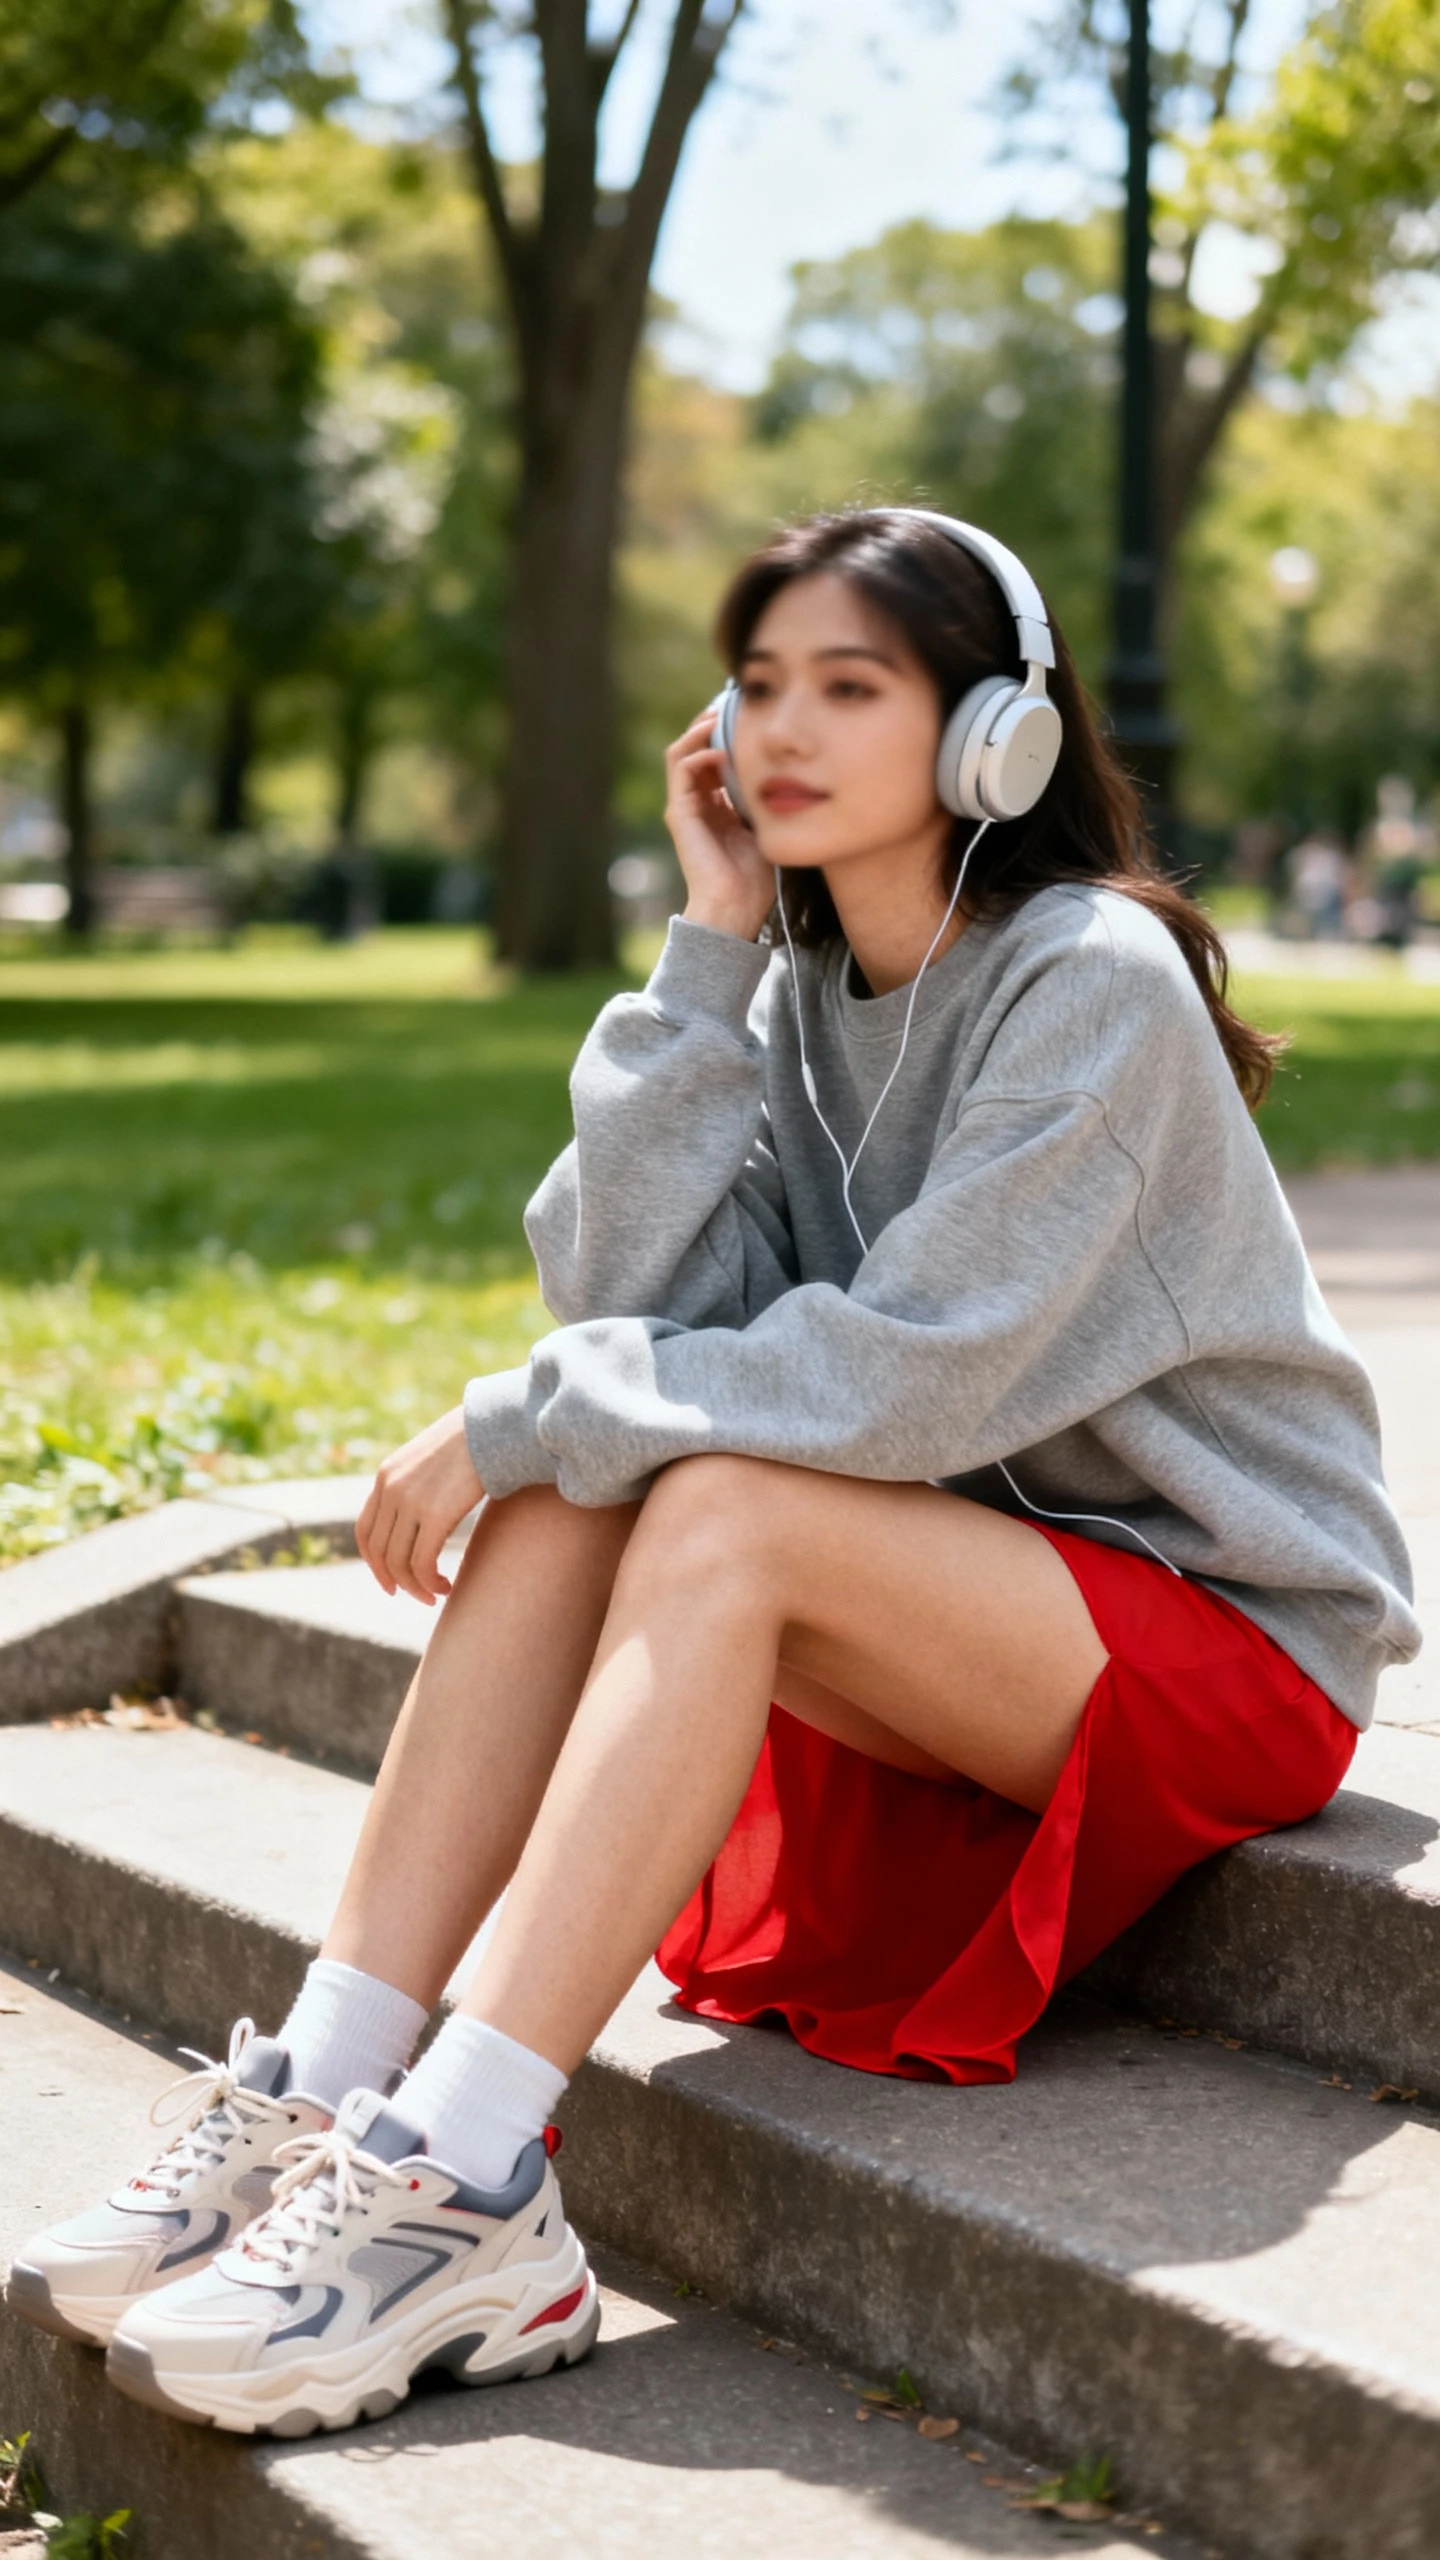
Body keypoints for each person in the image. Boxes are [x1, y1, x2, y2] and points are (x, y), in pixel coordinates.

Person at [10, 508, 1418, 2439]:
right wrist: (706, 950)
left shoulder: (1090, 974)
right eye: (760, 683)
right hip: (973, 1609)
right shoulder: (795, 988)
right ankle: (336, 2080)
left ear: (992, 734)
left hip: (1223, 1639)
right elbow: (629, 1298)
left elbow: (900, 1380)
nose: (786, 730)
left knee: (698, 1483)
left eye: (856, 686)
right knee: (612, 1468)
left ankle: (474, 2178)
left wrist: (524, 1410)